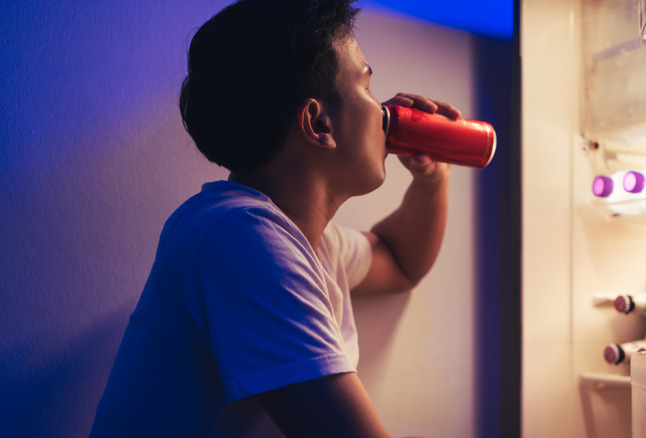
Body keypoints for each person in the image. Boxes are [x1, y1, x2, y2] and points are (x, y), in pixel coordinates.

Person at [90, 0, 458, 437]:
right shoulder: (240, 238)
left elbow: (401, 261)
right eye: (367, 86)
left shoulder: (306, 241)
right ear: (318, 122)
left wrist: (432, 181)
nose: (385, 112)